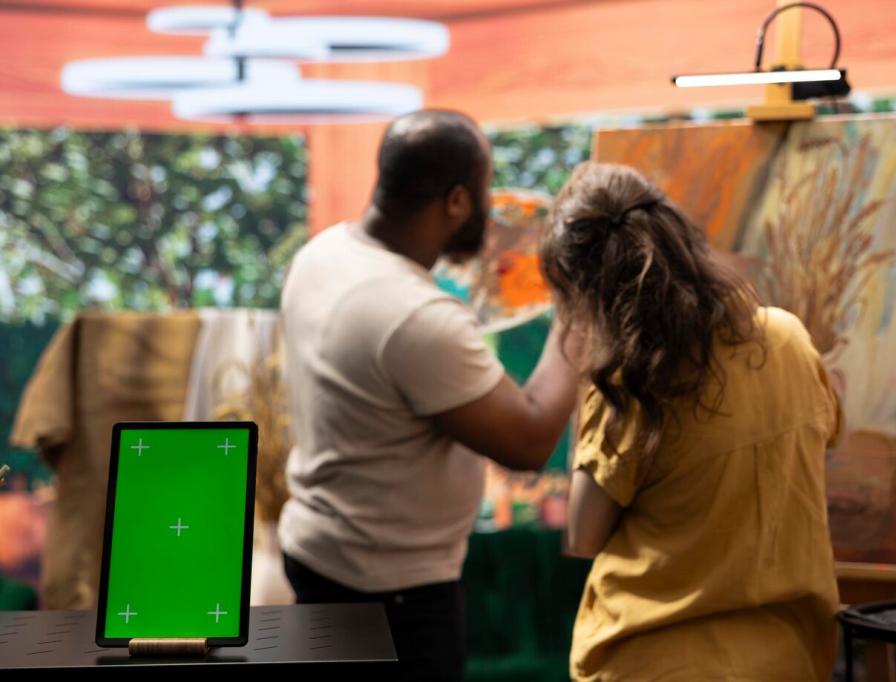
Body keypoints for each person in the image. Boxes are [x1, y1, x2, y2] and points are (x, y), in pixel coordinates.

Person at [278, 110, 579, 681]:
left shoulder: (323, 253)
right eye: (486, 191)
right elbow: (530, 439)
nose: (492, 207)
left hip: (319, 556)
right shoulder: (414, 315)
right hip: (391, 593)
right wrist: (578, 306)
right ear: (457, 201)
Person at [541, 162, 843, 681]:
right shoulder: (788, 337)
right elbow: (830, 432)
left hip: (653, 662)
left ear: (586, 293)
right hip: (784, 658)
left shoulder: (630, 381)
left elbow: (584, 535)